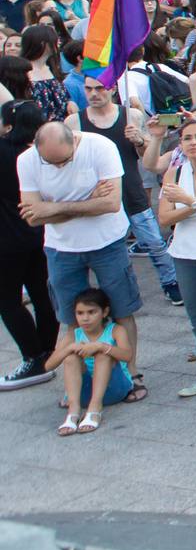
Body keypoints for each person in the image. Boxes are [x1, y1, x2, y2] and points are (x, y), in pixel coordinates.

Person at [19, 120, 144, 401]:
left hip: (107, 242)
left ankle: (131, 373)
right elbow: (32, 217)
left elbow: (111, 204)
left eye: (63, 161)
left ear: (74, 142)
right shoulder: (27, 161)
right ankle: (78, 383)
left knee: (122, 310)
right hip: (60, 248)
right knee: (72, 318)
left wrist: (52, 208)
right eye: (50, 163)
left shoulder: (100, 147)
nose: (58, 167)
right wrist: (88, 200)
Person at [67, 78, 178, 305]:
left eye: (99, 88)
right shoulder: (74, 121)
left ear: (113, 89)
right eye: (88, 89)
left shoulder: (131, 116)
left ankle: (171, 282)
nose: (94, 94)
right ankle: (107, 294)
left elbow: (148, 157)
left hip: (131, 189)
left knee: (155, 242)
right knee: (105, 248)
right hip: (98, 195)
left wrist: (139, 141)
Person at [0, 101, 58, 390]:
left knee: (8, 300)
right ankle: (48, 352)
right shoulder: (43, 152)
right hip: (41, 232)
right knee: (41, 294)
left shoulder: (6, 150)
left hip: (9, 239)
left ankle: (33, 357)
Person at [48, 288, 135, 436]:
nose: (85, 318)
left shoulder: (116, 330)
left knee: (103, 355)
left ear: (105, 312)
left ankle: (95, 408)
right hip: (83, 394)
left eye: (91, 312)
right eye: (80, 313)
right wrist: (70, 348)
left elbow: (127, 356)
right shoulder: (73, 335)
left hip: (115, 389)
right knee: (70, 357)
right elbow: (49, 366)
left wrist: (101, 346)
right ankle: (73, 411)